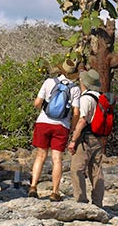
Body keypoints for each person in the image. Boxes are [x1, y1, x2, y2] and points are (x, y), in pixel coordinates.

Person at [29, 59, 81, 201]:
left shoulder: (49, 82)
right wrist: (72, 127)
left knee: (40, 156)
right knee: (57, 159)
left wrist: (45, 109)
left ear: (61, 70)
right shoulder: (75, 89)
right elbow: (76, 112)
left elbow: (37, 103)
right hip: (61, 126)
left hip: (43, 122)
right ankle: (54, 192)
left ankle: (33, 187)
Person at [68, 69, 105, 208]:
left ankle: (81, 200)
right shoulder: (101, 97)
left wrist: (73, 141)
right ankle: (98, 202)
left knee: (77, 169)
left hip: (86, 139)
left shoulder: (86, 99)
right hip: (99, 138)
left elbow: (82, 121)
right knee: (96, 171)